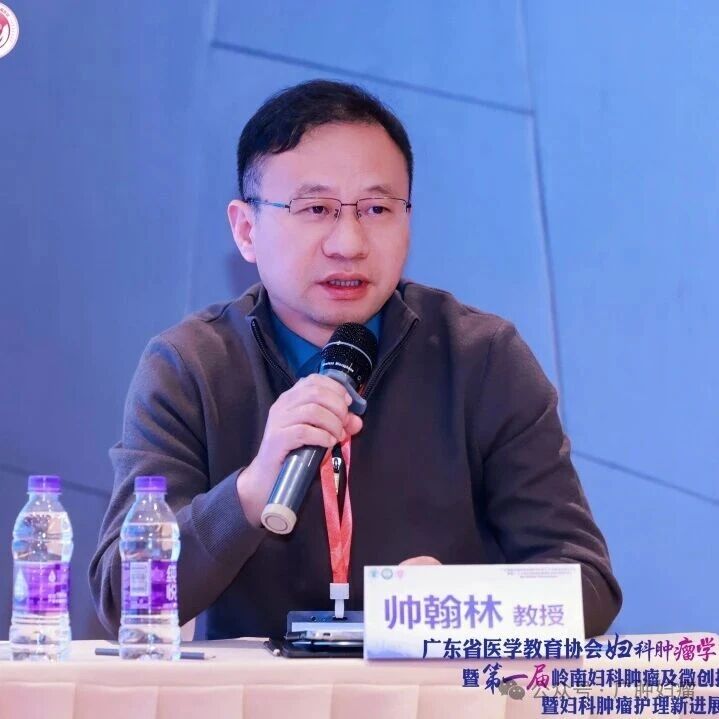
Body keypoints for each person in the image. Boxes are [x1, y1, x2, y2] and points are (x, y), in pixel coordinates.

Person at [89, 79, 622, 640]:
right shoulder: (189, 367)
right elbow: (125, 600)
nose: (348, 242)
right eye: (316, 208)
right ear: (246, 229)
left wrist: (462, 602)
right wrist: (248, 493)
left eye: (376, 208)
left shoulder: (482, 359)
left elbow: (588, 585)